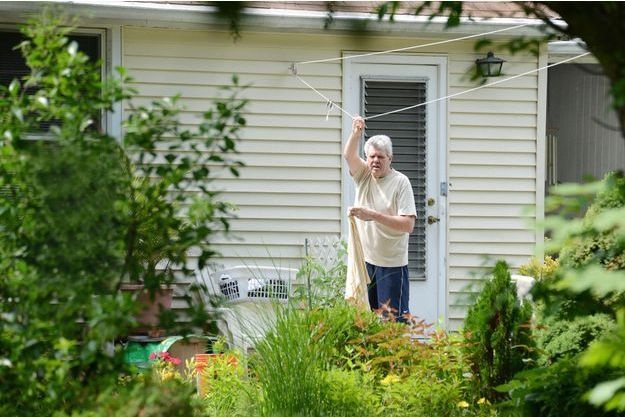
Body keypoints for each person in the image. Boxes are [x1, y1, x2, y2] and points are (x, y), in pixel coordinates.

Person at [343, 115, 416, 321]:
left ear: (390, 159)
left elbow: (408, 225)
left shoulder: (401, 182)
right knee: (367, 320)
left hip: (392, 264)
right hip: (366, 261)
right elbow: (349, 156)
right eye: (372, 156)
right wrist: (356, 133)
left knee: (393, 322)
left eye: (380, 157)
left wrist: (373, 215)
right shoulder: (364, 175)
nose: (375, 161)